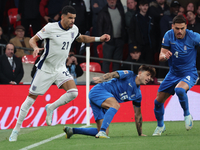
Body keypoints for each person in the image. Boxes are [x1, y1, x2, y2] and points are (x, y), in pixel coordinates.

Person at [9, 5, 110, 142]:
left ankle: (50, 107)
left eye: (74, 18)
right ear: (62, 17)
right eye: (70, 18)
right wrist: (35, 48)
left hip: (60, 68)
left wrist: (99, 39)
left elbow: (81, 39)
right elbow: (33, 39)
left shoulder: (74, 29)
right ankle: (16, 130)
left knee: (74, 92)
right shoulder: (50, 27)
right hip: (45, 68)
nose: (72, 21)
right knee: (30, 100)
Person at [63, 65, 156, 138]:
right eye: (148, 75)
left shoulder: (138, 95)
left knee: (102, 131)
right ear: (140, 72)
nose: (149, 78)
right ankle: (102, 132)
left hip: (104, 99)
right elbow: (114, 74)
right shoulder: (129, 74)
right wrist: (102, 78)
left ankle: (72, 131)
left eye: (151, 77)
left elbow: (138, 114)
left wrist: (140, 133)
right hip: (99, 91)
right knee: (115, 105)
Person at [152, 15, 199, 136]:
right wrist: (164, 56)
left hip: (189, 73)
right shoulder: (168, 35)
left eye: (182, 28)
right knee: (158, 102)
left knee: (179, 89)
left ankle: (187, 114)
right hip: (173, 74)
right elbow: (161, 56)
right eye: (177, 28)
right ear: (172, 27)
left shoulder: (193, 36)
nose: (179, 31)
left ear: (186, 27)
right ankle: (160, 126)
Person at [97, 0, 127, 73]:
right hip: (108, 41)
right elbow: (99, 27)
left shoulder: (120, 10)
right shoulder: (103, 12)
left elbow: (124, 24)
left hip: (119, 40)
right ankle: (105, 81)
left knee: (117, 62)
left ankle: (115, 80)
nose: (112, 1)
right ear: (107, 1)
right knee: (106, 61)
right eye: (110, 0)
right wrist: (102, 40)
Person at [129, 0, 156, 65]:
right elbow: (131, 32)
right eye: (143, 5)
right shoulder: (135, 18)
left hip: (148, 45)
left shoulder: (150, 18)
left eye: (146, 5)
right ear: (139, 6)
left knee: (148, 64)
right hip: (138, 45)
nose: (145, 7)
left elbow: (153, 32)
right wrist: (135, 44)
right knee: (139, 64)